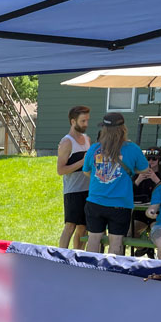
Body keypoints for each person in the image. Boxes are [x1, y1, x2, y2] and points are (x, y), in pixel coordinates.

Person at [82, 112, 150, 255]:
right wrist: (131, 168)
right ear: (123, 128)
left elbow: (87, 171)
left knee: (93, 239)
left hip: (95, 201)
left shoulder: (94, 149)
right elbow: (144, 169)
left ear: (104, 130)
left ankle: (89, 271)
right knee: (116, 242)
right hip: (120, 204)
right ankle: (113, 274)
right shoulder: (132, 149)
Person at [56, 105, 91, 249]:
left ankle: (78, 256)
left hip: (89, 190)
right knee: (70, 226)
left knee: (83, 227)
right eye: (83, 121)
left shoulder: (88, 139)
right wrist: (82, 162)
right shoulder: (67, 142)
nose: (86, 124)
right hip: (73, 190)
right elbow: (60, 170)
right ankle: (60, 256)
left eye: (87, 120)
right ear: (73, 121)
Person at [131, 149, 161, 240]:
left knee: (158, 233)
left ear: (159, 160)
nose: (151, 161)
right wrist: (138, 180)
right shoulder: (138, 172)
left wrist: (156, 180)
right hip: (140, 212)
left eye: (154, 159)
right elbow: (129, 191)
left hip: (159, 212)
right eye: (148, 159)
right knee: (131, 232)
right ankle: (144, 249)